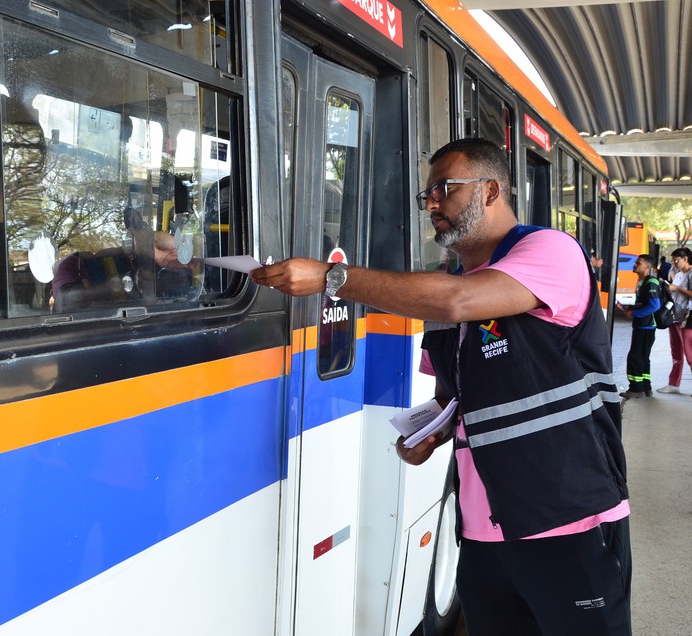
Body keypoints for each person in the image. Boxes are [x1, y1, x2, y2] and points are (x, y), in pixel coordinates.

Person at [252, 138, 631, 635]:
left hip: (567, 520)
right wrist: (432, 430)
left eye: (444, 189)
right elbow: (457, 395)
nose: (432, 203)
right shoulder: (450, 282)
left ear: (491, 190)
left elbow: (457, 302)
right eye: (427, 194)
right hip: (484, 532)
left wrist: (333, 277)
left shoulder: (549, 251)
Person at [616, 254, 660, 398]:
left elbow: (654, 305)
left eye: (638, 263)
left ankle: (636, 389)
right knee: (643, 357)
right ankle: (646, 387)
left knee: (635, 357)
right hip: (643, 326)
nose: (635, 265)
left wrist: (634, 314)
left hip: (646, 326)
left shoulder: (651, 282)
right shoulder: (643, 282)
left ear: (647, 267)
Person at [657, 246, 692, 394]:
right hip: (675, 317)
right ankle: (673, 383)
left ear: (685, 259)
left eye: (676, 260)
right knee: (676, 352)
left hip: (687, 318)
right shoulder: (678, 274)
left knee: (690, 354)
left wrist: (677, 288)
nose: (674, 263)